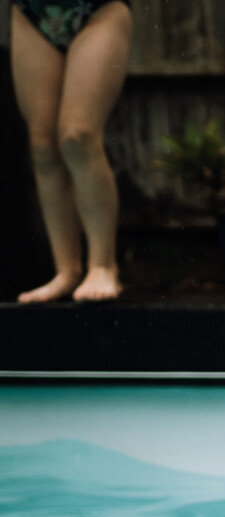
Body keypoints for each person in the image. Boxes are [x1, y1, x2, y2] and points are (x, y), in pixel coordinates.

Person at [10, 0, 130, 302]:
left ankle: (103, 265)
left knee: (78, 135)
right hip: (31, 12)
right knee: (42, 145)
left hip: (98, 9)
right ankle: (66, 271)